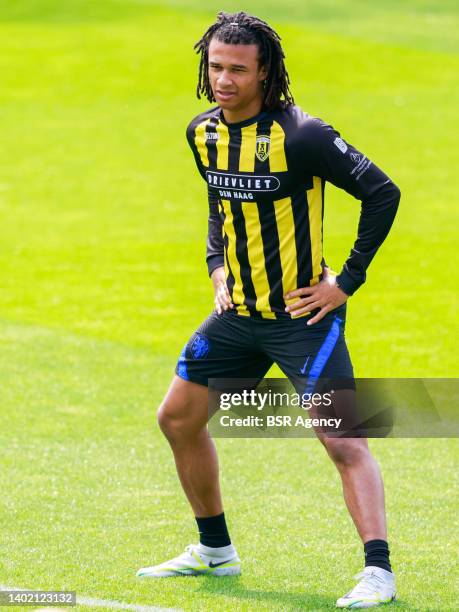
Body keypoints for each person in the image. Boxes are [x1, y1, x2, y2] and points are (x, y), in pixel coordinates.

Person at [137, 11, 400, 609]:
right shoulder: (202, 132)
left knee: (343, 441)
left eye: (238, 69)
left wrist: (347, 281)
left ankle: (378, 572)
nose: (224, 79)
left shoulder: (303, 135)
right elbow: (217, 203)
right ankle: (214, 552)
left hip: (304, 319)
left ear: (265, 74)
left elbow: (382, 192)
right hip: (237, 318)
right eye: (215, 67)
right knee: (177, 418)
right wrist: (217, 267)